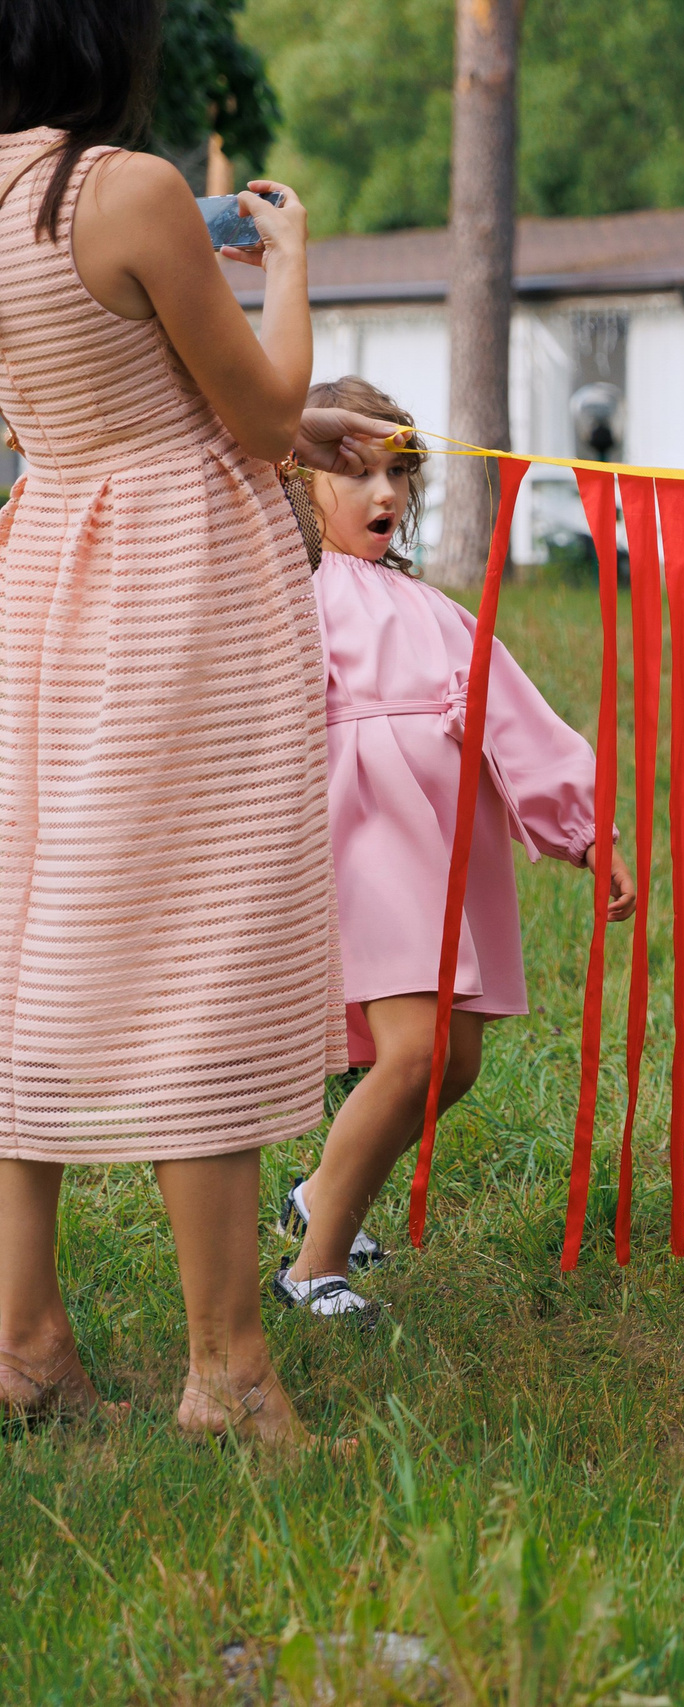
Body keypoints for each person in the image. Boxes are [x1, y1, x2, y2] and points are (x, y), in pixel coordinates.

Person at [0, 0, 406, 1445]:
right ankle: (230, 1369)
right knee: (202, 946)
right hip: (176, 588)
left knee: (40, 938)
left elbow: (110, 387)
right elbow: (256, 402)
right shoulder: (127, 189)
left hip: (50, 568)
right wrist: (292, 268)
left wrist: (277, 426)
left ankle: (27, 1336)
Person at [271, 377, 636, 1317]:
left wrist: (588, 831)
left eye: (398, 472)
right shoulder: (288, 602)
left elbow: (512, 716)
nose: (383, 494)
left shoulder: (429, 608)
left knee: (455, 1059)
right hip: (364, 843)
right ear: (296, 479)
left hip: (445, 853)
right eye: (354, 473)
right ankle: (314, 1263)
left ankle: (323, 1192)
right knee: (412, 1050)